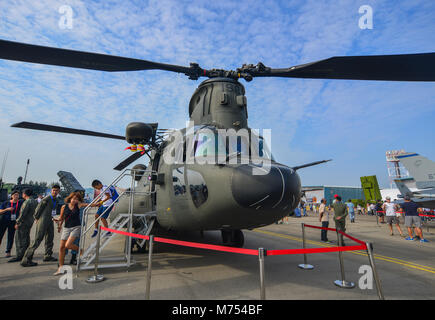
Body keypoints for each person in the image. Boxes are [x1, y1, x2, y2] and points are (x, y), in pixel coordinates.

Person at [21, 184, 61, 267]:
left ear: (58, 191)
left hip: (50, 220)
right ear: (51, 191)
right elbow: (38, 208)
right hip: (43, 220)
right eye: (53, 190)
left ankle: (48, 255)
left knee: (50, 237)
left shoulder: (56, 200)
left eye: (56, 190)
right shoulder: (47, 198)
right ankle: (26, 259)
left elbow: (52, 210)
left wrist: (53, 218)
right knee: (38, 239)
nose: (55, 192)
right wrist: (36, 218)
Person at [53, 191, 87, 275]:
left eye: (77, 199)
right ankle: (60, 268)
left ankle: (80, 250)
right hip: (66, 228)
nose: (75, 200)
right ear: (70, 198)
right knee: (62, 248)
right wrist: (58, 223)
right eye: (73, 198)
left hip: (76, 227)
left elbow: (91, 205)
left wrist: (101, 202)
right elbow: (61, 218)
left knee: (68, 245)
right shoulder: (64, 207)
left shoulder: (78, 205)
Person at [9, 189, 38, 262]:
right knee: (26, 239)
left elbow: (23, 213)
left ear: (25, 194)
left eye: (22, 193)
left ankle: (19, 255)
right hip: (29, 222)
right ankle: (26, 254)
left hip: (23, 223)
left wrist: (18, 222)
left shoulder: (27, 202)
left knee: (19, 239)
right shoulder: (34, 201)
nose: (22, 194)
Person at [0, 190, 23, 257]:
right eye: (15, 194)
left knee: (11, 237)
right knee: (0, 236)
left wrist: (18, 222)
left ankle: (8, 251)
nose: (16, 196)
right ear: (12, 195)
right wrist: (7, 209)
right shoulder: (6, 203)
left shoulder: (20, 203)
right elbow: (0, 211)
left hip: (13, 222)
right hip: (4, 221)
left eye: (18, 195)